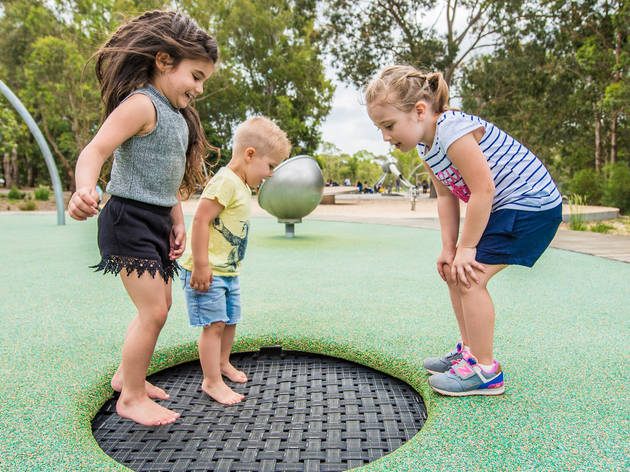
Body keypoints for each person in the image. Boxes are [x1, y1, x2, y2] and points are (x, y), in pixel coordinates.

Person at [365, 65, 562, 396]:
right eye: (380, 129)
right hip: (505, 206)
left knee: (470, 276)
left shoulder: (452, 131)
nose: (385, 137)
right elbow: (446, 196)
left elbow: (483, 189)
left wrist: (467, 248)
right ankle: (469, 353)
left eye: (389, 126)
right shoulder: (427, 148)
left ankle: (486, 371)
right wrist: (449, 248)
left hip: (531, 206)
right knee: (456, 272)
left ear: (419, 111)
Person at [67, 10, 218, 425]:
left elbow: (166, 182)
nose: (199, 88)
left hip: (154, 219)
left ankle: (125, 376)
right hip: (127, 217)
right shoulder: (141, 104)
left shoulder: (179, 118)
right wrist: (85, 189)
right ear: (164, 61)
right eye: (196, 75)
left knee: (161, 304)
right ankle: (131, 397)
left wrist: (177, 220)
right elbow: (95, 152)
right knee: (153, 311)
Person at [179, 117, 291, 405]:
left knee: (230, 321)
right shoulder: (225, 182)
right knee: (214, 324)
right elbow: (202, 219)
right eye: (270, 166)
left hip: (228, 271)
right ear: (249, 154)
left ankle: (223, 363)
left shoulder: (241, 184)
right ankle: (211, 381)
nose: (271, 174)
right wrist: (202, 265)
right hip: (206, 270)